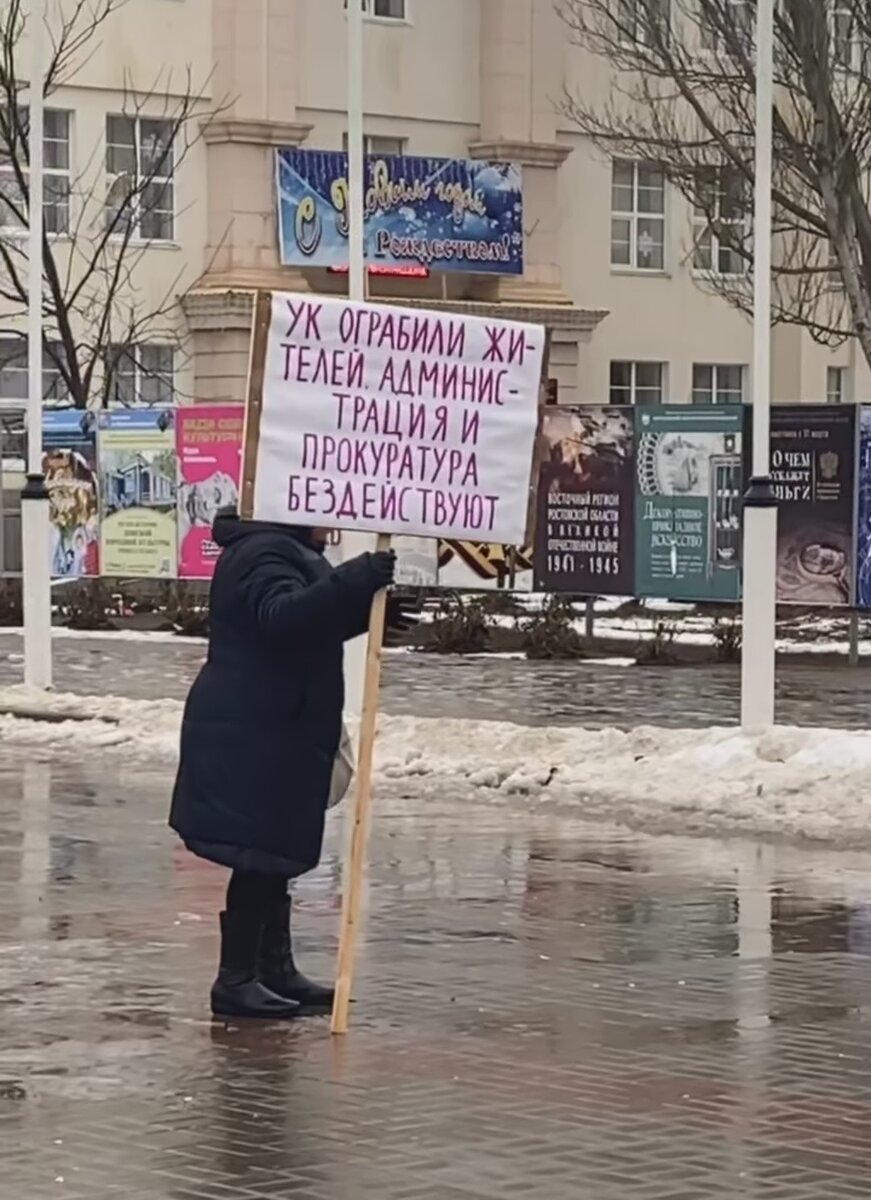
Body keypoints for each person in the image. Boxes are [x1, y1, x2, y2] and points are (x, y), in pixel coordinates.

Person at [169, 509, 415, 1020]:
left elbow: (306, 623)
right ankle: (235, 980)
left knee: (272, 852)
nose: (334, 525)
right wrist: (356, 579)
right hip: (254, 727)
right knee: (256, 854)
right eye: (326, 515)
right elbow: (280, 620)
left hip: (275, 724)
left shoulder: (283, 551)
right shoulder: (263, 552)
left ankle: (274, 970)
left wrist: (364, 610)